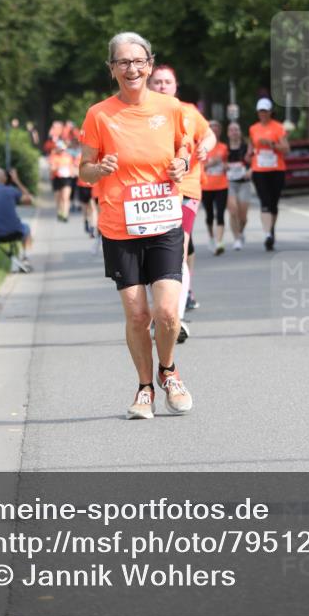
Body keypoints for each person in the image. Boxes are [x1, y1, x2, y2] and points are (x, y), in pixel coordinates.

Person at [79, 32, 193, 419]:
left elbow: (184, 149)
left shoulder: (171, 107)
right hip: (119, 227)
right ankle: (145, 387)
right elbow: (84, 170)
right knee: (136, 315)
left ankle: (169, 371)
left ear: (150, 64)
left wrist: (183, 164)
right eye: (123, 62)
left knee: (167, 313)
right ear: (112, 69)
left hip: (164, 222)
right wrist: (99, 168)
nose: (132, 69)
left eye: (138, 61)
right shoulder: (99, 114)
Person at [148, 64, 216, 341]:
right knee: (154, 254)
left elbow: (209, 133)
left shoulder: (188, 111)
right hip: (153, 191)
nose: (162, 86)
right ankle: (160, 312)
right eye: (158, 82)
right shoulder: (143, 112)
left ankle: (176, 316)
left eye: (167, 82)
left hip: (186, 188)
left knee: (180, 247)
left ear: (175, 87)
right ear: (150, 85)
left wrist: (207, 145)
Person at [245, 97, 290, 251]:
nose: (263, 114)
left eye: (265, 111)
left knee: (273, 204)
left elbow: (286, 149)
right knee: (264, 202)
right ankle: (267, 234)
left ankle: (271, 231)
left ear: (270, 112)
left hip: (277, 169)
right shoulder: (253, 129)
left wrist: (271, 144)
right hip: (259, 170)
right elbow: (250, 149)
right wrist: (248, 156)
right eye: (260, 111)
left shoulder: (278, 128)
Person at [0, 167, 33, 263]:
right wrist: (17, 181)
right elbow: (29, 200)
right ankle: (25, 257)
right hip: (15, 231)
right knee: (27, 227)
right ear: (5, 179)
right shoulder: (12, 190)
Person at [201, 121, 229, 254]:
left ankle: (219, 242)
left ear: (220, 131)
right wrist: (211, 163)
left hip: (222, 185)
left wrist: (225, 166)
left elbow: (227, 164)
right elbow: (199, 167)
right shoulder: (202, 148)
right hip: (206, 186)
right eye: (212, 128)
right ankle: (212, 237)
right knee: (209, 215)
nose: (215, 131)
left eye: (217, 128)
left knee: (221, 214)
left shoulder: (224, 147)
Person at [226, 121, 251, 250]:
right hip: (230, 183)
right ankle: (236, 238)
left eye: (237, 129)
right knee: (233, 211)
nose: (234, 132)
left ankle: (241, 232)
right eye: (232, 130)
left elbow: (255, 161)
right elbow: (220, 164)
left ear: (240, 132)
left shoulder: (246, 147)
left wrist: (250, 171)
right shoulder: (225, 148)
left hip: (244, 183)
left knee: (243, 216)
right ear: (228, 133)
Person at [49, 139, 74, 221]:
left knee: (65, 197)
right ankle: (59, 211)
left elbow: (72, 168)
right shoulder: (53, 157)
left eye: (63, 149)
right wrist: (58, 167)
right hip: (57, 178)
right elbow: (52, 169)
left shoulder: (68, 157)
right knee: (58, 198)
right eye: (60, 149)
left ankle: (65, 214)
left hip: (67, 179)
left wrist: (72, 173)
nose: (62, 151)